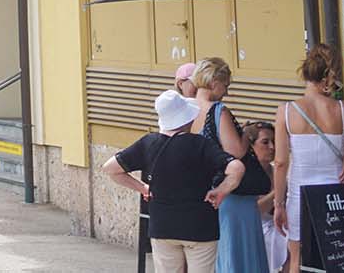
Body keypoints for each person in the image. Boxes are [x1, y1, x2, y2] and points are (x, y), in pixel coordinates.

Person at [103, 90, 246, 273]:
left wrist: (143, 188)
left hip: (162, 226)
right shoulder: (200, 144)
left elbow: (110, 168)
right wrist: (221, 191)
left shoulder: (148, 143)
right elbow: (237, 168)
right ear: (187, 119)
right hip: (200, 226)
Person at [273, 45, 344, 273]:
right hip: (335, 192)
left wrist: (278, 203)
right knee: (336, 255)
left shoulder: (286, 110)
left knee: (296, 257)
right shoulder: (342, 109)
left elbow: (281, 162)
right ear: (327, 77)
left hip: (300, 192)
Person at [189, 58, 259, 273]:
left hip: (197, 189)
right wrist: (247, 134)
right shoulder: (218, 111)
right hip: (226, 192)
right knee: (234, 252)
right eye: (226, 85)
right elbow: (235, 151)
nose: (226, 91)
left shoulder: (184, 109)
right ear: (214, 81)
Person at [238, 121, 284, 273]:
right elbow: (255, 210)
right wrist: (278, 191)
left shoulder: (276, 171)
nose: (272, 147)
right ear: (251, 145)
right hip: (254, 230)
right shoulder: (244, 175)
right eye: (265, 142)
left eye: (274, 142)